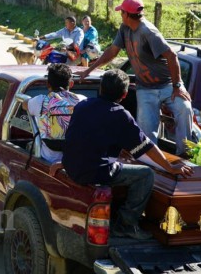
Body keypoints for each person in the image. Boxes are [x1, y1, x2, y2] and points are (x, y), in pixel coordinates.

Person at [63, 69, 193, 240]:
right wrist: (169, 167)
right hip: (93, 171)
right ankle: (125, 224)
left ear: (101, 89)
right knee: (145, 174)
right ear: (124, 95)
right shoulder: (120, 115)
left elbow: (76, 139)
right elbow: (146, 147)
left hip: (71, 166)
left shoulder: (82, 105)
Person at [80, 0, 193, 156]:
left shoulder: (148, 32)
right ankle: (153, 163)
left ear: (127, 14)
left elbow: (172, 56)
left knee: (185, 108)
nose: (120, 15)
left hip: (167, 85)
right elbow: (112, 51)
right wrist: (88, 70)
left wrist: (178, 85)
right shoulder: (124, 29)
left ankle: (185, 154)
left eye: (122, 12)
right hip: (145, 88)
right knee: (146, 132)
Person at [22, 63, 86, 164]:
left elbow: (24, 105)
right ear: (71, 84)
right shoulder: (82, 100)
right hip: (74, 161)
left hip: (47, 160)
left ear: (48, 84)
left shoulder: (40, 101)